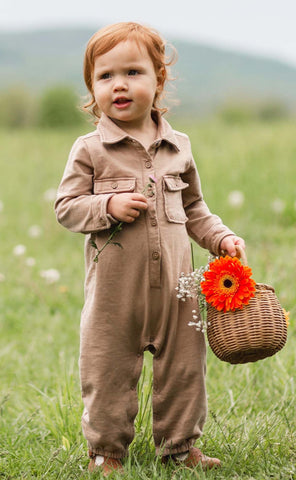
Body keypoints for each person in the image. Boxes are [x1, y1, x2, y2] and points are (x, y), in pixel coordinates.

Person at [55, 22, 245, 476]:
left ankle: (181, 446)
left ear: (158, 80)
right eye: (105, 76)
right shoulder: (91, 150)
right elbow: (66, 208)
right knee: (107, 374)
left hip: (179, 293)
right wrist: (106, 204)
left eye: (133, 72)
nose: (119, 84)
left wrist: (220, 236)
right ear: (93, 88)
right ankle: (106, 451)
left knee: (184, 371)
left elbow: (194, 206)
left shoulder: (178, 147)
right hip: (114, 296)